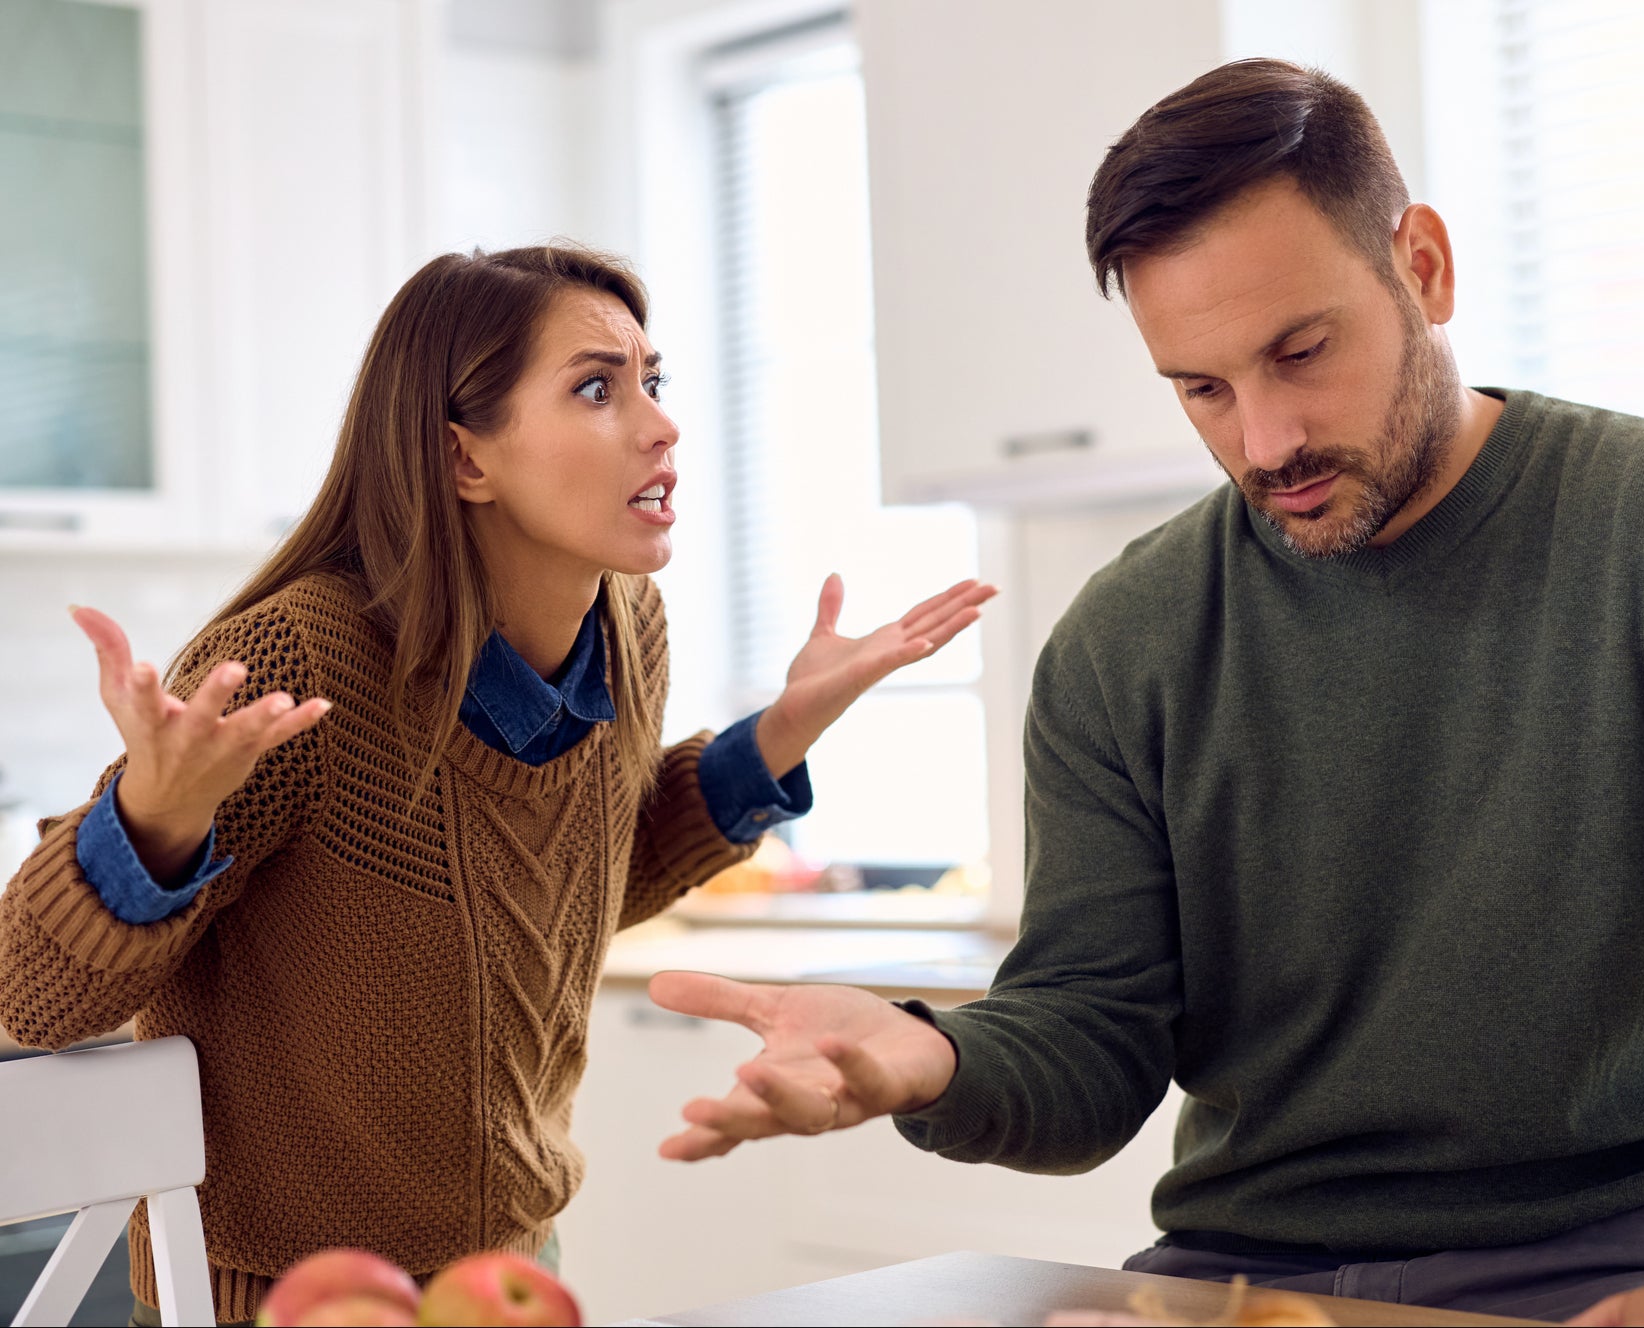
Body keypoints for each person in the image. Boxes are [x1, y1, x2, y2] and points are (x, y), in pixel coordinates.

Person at [645, 59, 1644, 1326]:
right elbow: (1093, 1033)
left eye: (1301, 352)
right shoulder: (1126, 638)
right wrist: (933, 1055)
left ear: (1425, 267)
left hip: (1615, 1262)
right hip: (1239, 1273)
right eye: (1202, 388)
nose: (1265, 440)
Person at [0, 244, 994, 1326]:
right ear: (465, 458)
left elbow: (566, 886)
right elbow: (31, 997)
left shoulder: (624, 629)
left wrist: (783, 732)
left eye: (652, 380)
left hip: (513, 1270)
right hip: (283, 1298)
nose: (661, 424)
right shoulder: (300, 665)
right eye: (596, 387)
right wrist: (156, 819)